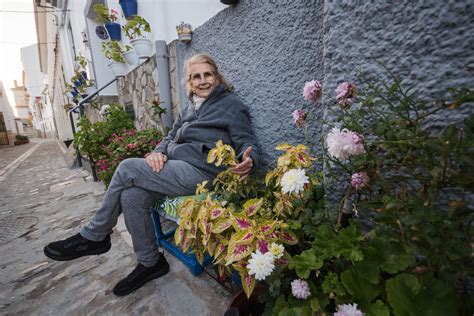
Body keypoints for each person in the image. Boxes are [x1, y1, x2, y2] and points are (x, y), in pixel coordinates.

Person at [44, 53, 260, 296]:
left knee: (127, 167)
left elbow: (246, 142)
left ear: (217, 77)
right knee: (133, 195)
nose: (202, 81)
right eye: (195, 76)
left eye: (207, 75)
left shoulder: (231, 106)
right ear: (189, 82)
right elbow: (169, 137)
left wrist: (248, 160)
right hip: (177, 168)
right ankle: (150, 262)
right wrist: (158, 153)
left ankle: (95, 235)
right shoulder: (190, 108)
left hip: (204, 172)